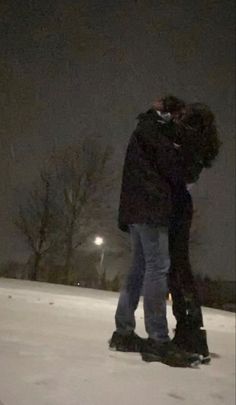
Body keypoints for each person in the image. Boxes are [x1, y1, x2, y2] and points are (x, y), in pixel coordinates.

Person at [109, 96, 200, 367]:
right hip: (150, 208)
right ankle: (158, 340)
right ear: (170, 114)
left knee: (139, 268)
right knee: (158, 268)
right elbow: (176, 168)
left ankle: (123, 332)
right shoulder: (155, 131)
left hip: (138, 209)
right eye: (179, 116)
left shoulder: (145, 129)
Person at [168, 103, 221, 363]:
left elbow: (177, 171)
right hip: (180, 206)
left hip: (176, 207)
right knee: (178, 268)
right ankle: (190, 328)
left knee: (177, 268)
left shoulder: (191, 143)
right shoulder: (200, 145)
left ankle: (190, 330)